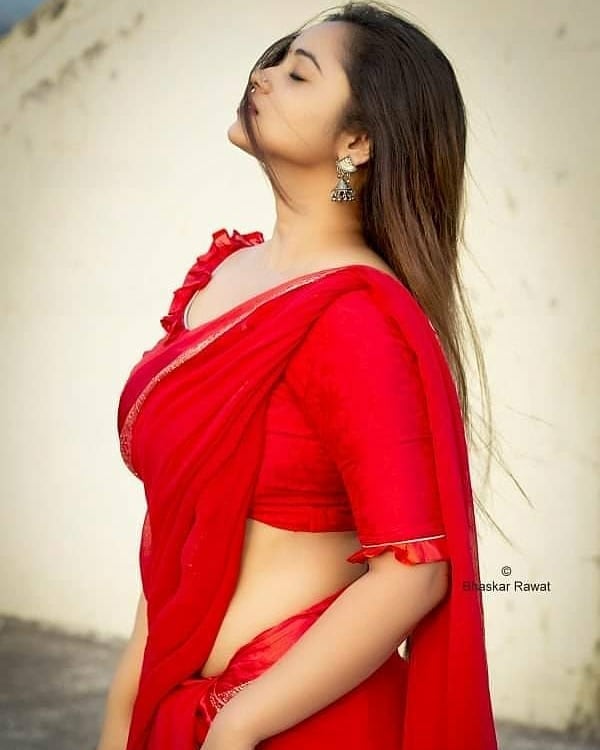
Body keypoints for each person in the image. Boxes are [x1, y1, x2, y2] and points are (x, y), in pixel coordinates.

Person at [97, 2, 500, 749]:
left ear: (356, 141)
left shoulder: (355, 317)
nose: (262, 76)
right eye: (273, 60)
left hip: (299, 727)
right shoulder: (222, 277)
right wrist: (124, 714)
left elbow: (414, 572)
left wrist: (238, 726)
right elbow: (177, 526)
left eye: (298, 73)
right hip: (176, 707)